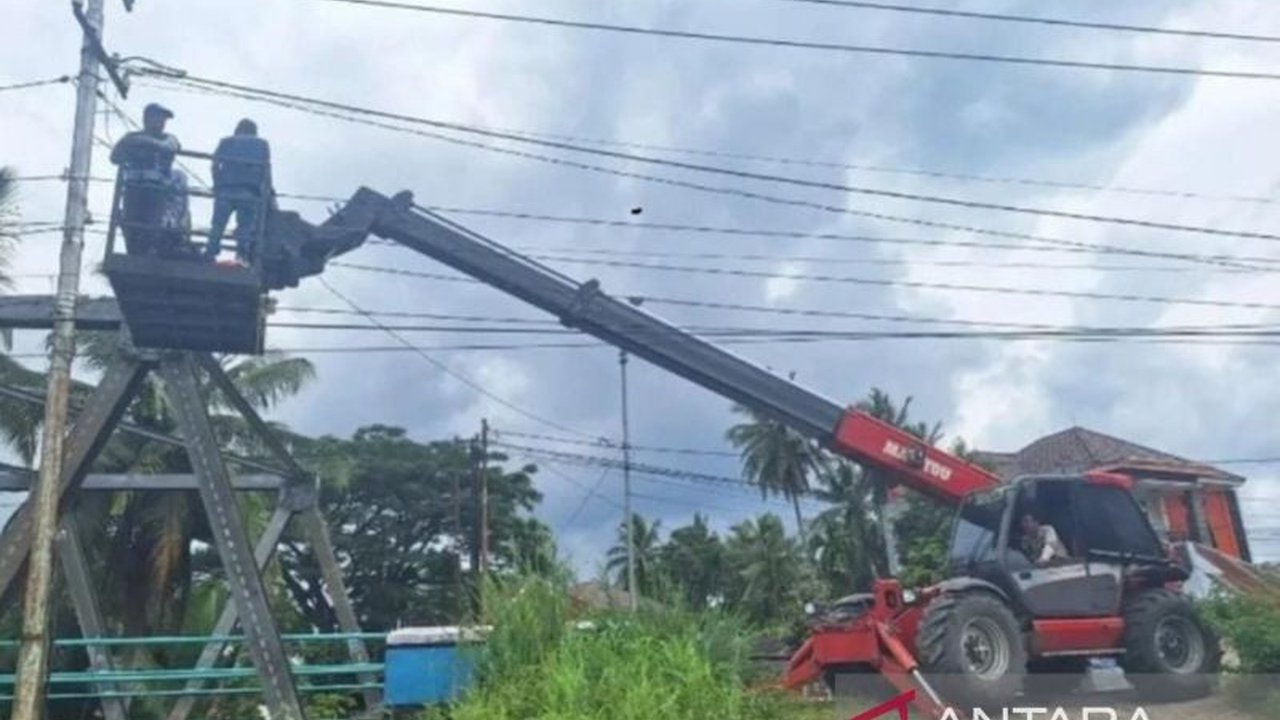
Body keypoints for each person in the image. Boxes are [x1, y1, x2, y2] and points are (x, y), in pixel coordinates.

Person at [110, 102, 185, 256]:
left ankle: (149, 252)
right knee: (131, 224)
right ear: (148, 118)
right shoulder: (131, 137)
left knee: (152, 226)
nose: (162, 122)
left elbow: (171, 147)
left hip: (156, 191)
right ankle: (134, 252)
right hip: (134, 189)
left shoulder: (167, 138)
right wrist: (139, 143)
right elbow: (115, 157)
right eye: (159, 118)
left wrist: (143, 142)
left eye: (164, 119)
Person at [207, 118, 272, 264]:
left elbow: (215, 165)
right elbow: (265, 170)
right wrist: (263, 191)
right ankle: (242, 256)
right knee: (245, 228)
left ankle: (210, 253)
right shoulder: (262, 144)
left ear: (237, 130)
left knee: (218, 225)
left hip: (226, 190)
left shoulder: (226, 142)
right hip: (249, 191)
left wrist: (217, 184)